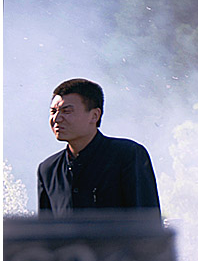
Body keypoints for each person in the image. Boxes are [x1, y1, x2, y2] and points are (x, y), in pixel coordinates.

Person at [37, 78, 160, 217]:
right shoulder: (48, 170)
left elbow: (147, 224)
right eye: (53, 111)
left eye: (67, 111)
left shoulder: (128, 155)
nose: (57, 118)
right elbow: (46, 233)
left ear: (95, 115)